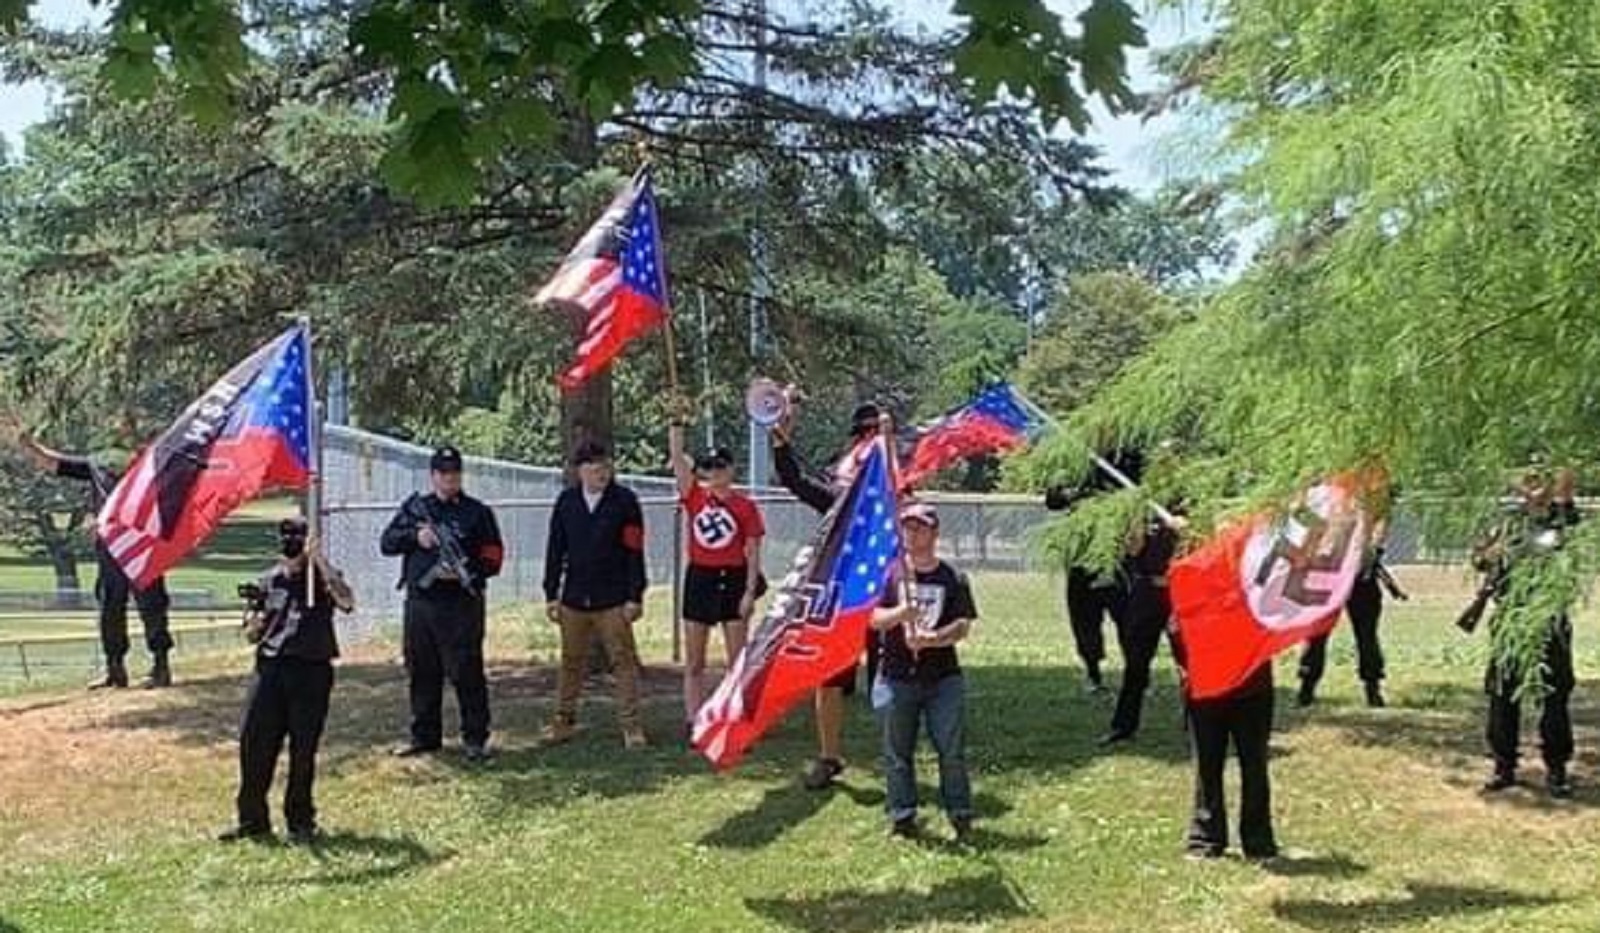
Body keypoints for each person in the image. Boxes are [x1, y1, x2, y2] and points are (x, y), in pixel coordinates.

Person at [770, 396, 882, 789]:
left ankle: (900, 753)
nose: (868, 442)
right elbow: (794, 481)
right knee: (830, 678)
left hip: (889, 597)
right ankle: (829, 756)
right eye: (863, 435)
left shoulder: (896, 495)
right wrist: (781, 439)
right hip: (843, 598)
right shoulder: (837, 499)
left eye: (876, 434)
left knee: (899, 680)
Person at [219, 517, 354, 845]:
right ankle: (252, 819)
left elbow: (347, 600)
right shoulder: (268, 580)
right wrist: (256, 622)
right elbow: (252, 634)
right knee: (254, 743)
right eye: (287, 535)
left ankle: (300, 820)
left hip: (311, 669)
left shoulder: (321, 580)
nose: (291, 541)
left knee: (303, 748)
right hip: (270, 670)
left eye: (299, 535)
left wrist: (318, 560)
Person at [12, 426, 174, 690]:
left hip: (144, 543)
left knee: (152, 604)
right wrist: (29, 446)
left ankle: (160, 666)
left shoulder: (154, 465)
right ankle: (115, 670)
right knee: (110, 605)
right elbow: (56, 464)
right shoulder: (98, 465)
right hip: (110, 546)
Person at [381, 445, 504, 762]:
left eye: (455, 474)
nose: (450, 480)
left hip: (461, 605)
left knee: (467, 672)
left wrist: (468, 572)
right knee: (422, 670)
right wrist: (415, 537)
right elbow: (387, 543)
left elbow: (494, 557)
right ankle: (424, 736)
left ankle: (475, 738)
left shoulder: (478, 512)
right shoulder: (417, 509)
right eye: (443, 474)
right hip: (421, 604)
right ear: (433, 476)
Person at [1468, 466, 1579, 799]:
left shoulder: (1564, 518)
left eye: (1540, 481)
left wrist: (1558, 480)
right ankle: (1503, 765)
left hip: (1549, 619)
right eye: (1528, 481)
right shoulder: (1505, 522)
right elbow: (1480, 559)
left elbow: (1568, 481)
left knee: (1554, 694)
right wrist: (1491, 552)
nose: (1534, 488)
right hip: (1510, 619)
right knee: (1502, 693)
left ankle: (1556, 769)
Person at [870, 501, 978, 842]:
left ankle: (959, 812)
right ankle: (902, 815)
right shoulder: (889, 574)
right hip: (896, 675)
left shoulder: (952, 577)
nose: (912, 533)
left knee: (951, 750)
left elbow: (963, 625)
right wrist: (900, 613)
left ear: (935, 533)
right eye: (907, 527)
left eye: (919, 527)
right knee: (897, 751)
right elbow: (872, 619)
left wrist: (935, 639)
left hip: (943, 678)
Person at [542, 440, 649, 749]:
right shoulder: (566, 502)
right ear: (580, 471)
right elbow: (555, 550)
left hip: (613, 598)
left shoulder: (625, 501)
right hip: (574, 597)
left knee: (622, 660)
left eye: (605, 467)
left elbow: (634, 550)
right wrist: (551, 593)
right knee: (571, 661)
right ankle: (563, 721)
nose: (601, 473)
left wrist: (635, 595)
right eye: (594, 468)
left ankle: (631, 726)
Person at [668, 421, 765, 737]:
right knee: (695, 659)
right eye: (709, 467)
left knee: (737, 658)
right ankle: (693, 718)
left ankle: (734, 716)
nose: (715, 472)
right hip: (700, 577)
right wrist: (676, 428)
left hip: (733, 577)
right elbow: (679, 460)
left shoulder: (745, 506)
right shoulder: (695, 497)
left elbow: (752, 551)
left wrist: (749, 592)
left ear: (731, 469)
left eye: (720, 466)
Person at [1044, 448, 1143, 695]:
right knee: (1085, 619)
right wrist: (1079, 491)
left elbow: (1143, 494)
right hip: (1082, 557)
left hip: (1117, 555)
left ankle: (1136, 676)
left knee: (1129, 620)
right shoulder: (1076, 462)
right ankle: (1093, 673)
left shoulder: (1130, 458)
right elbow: (1053, 500)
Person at [1298, 521, 1408, 708]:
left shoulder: (1368, 506)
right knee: (1318, 635)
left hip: (1358, 576)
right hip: (1330, 574)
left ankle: (1372, 689)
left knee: (1365, 636)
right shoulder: (1333, 503)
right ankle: (1307, 689)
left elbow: (1377, 538)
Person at [1181, 654, 1279, 861]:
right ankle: (1205, 838)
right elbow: (1177, 626)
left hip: (1252, 686)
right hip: (1205, 686)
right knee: (1207, 765)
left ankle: (1258, 842)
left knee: (1254, 765)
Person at [1102, 506, 1184, 745]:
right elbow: (1133, 549)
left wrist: (1186, 529)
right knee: (1136, 663)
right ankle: (1123, 726)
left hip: (1181, 590)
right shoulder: (1144, 506)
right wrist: (1136, 525)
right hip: (1147, 593)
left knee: (1188, 661)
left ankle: (1198, 722)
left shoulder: (1191, 496)